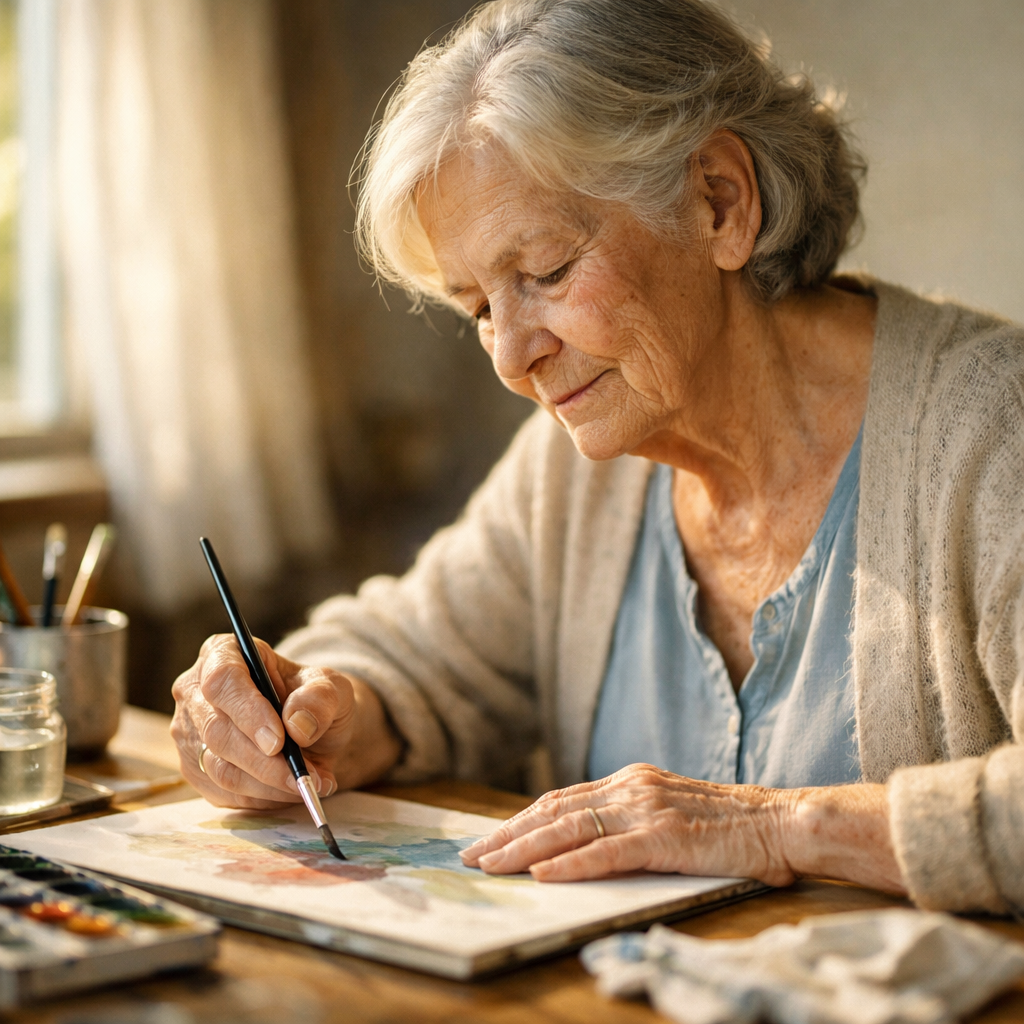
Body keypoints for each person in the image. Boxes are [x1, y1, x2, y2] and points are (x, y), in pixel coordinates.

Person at [170, 0, 1023, 914]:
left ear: (719, 202)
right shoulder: (576, 470)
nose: (510, 357)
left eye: (544, 272)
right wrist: (301, 710)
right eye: (480, 308)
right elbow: (412, 651)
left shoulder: (992, 432)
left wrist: (778, 826)